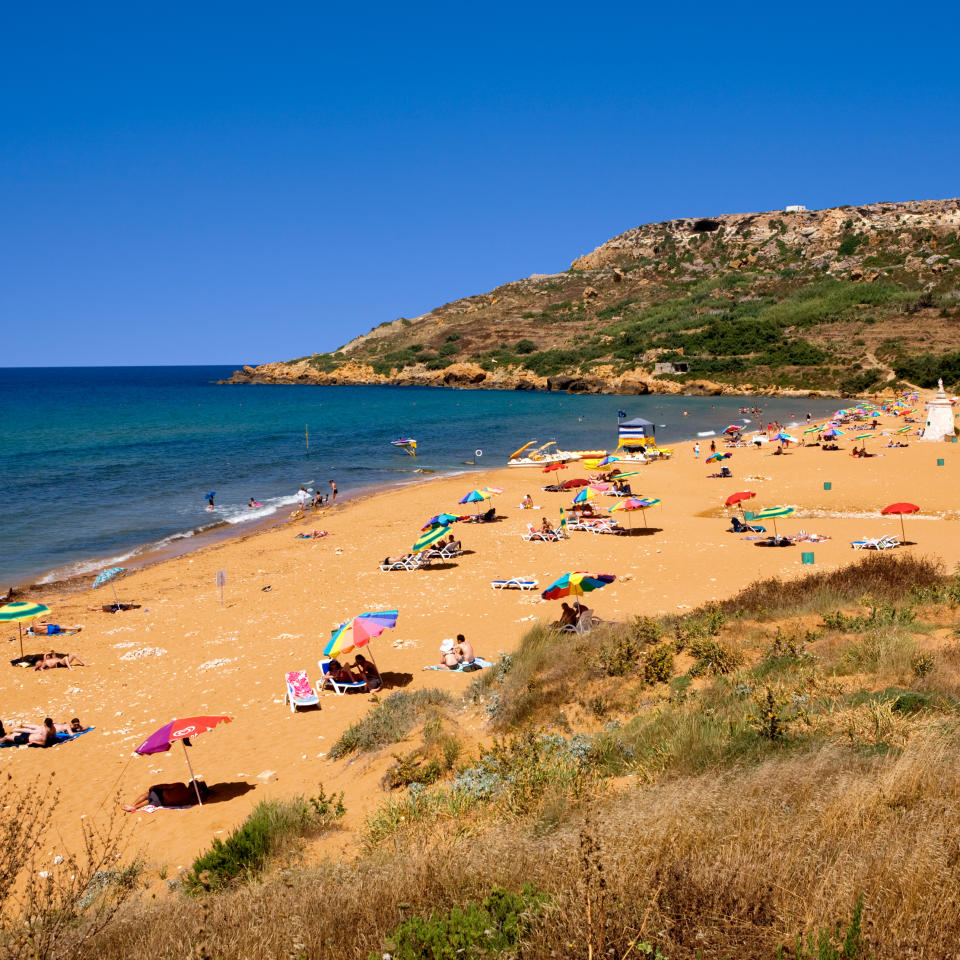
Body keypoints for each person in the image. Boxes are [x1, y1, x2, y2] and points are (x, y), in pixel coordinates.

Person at [123, 779, 209, 812]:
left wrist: (154, 787)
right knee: (149, 801)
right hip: (161, 803)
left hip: (159, 795)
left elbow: (166, 786)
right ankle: (135, 807)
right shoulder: (190, 799)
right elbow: (203, 799)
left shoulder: (181, 785)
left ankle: (133, 805)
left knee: (147, 794)